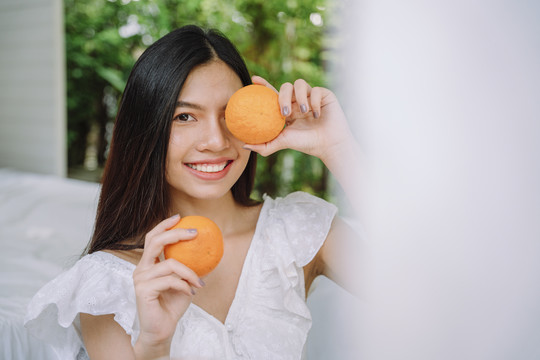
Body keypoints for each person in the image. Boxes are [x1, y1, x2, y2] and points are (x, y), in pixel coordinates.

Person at [24, 24, 361, 360]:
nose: (215, 141)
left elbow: (412, 297)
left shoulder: (299, 230)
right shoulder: (108, 282)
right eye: (184, 116)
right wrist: (154, 346)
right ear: (147, 130)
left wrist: (337, 147)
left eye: (229, 114)